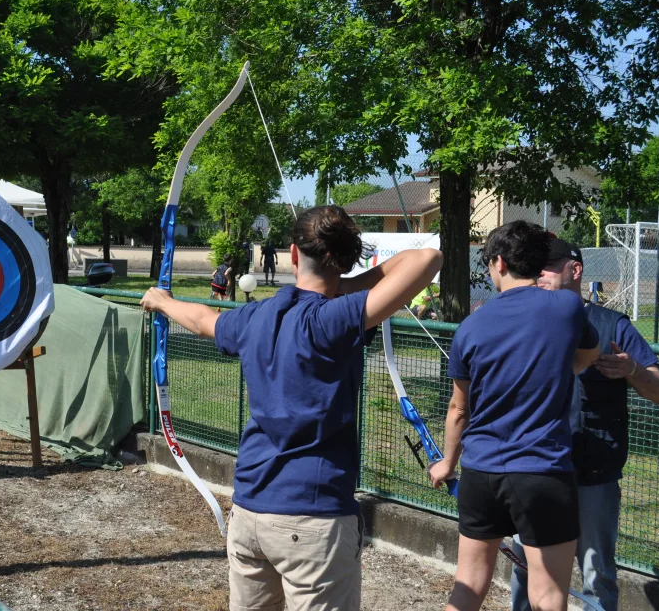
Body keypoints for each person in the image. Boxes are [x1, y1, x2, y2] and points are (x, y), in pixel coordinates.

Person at [140, 205, 443, 611]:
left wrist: (162, 300)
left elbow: (201, 318)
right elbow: (428, 258)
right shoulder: (337, 317)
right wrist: (351, 285)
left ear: (293, 254)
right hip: (314, 520)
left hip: (250, 511)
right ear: (344, 260)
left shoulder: (258, 316)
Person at [428, 221, 600, 611]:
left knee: (468, 584)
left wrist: (446, 463)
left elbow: (459, 409)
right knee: (549, 596)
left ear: (499, 263)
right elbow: (589, 354)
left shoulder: (470, 327)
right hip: (543, 472)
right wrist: (558, 370)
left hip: (480, 473)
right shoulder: (567, 307)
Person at [509, 239, 659, 611]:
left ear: (575, 270)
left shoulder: (611, 326)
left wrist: (631, 369)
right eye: (536, 266)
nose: (540, 273)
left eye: (548, 265)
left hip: (593, 474)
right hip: (534, 470)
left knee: (596, 575)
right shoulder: (523, 319)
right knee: (524, 570)